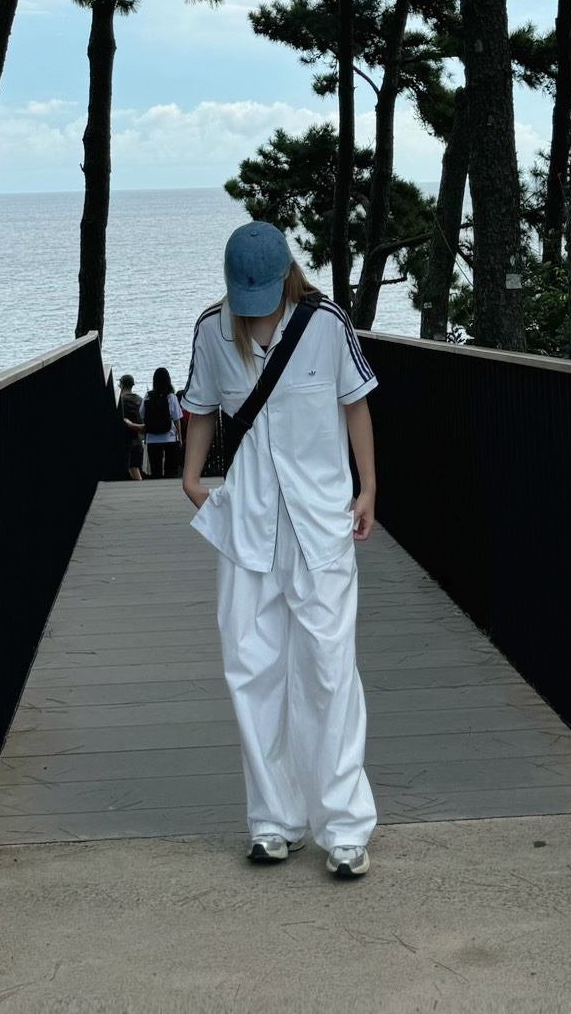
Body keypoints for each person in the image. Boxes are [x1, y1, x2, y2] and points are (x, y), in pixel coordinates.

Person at [180, 220, 378, 881]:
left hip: (320, 522)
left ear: (285, 276)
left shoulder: (326, 323)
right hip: (248, 524)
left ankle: (344, 828)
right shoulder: (213, 330)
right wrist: (191, 478)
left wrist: (368, 486)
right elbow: (201, 407)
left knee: (329, 670)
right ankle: (273, 821)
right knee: (251, 670)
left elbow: (355, 403)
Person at [143, 365, 183, 478]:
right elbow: (177, 419)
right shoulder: (171, 397)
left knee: (156, 470)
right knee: (170, 469)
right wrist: (179, 438)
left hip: (152, 439)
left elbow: (142, 414)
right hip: (169, 438)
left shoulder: (148, 396)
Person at [116, 373, 145, 481]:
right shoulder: (140, 400)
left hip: (123, 440)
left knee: (127, 470)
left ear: (121, 385)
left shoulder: (119, 401)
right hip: (138, 439)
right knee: (136, 467)